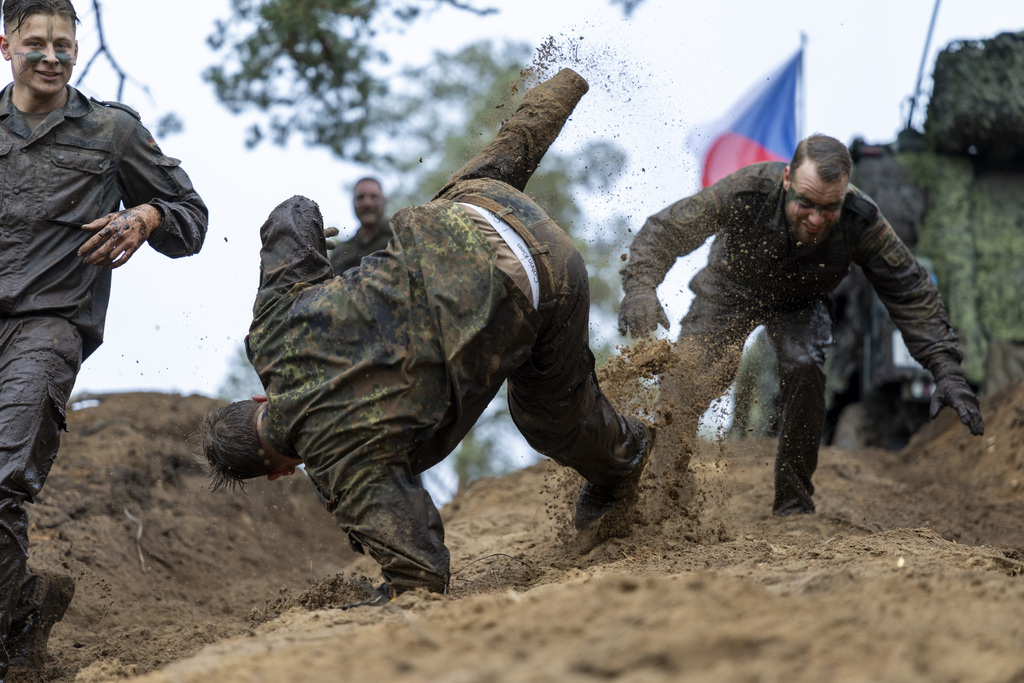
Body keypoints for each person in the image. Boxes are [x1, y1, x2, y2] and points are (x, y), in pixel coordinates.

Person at [198, 68, 651, 598]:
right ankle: (564, 85)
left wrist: (372, 559)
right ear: (256, 397)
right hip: (474, 207)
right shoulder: (272, 333)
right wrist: (317, 246)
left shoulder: (344, 466)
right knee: (485, 176)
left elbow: (421, 573)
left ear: (277, 474)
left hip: (543, 277)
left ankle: (625, 458)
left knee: (548, 419)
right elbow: (290, 214)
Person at [0, 0, 208, 676]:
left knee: (2, 479)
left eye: (64, 44)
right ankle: (24, 604)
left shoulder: (111, 132)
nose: (52, 57)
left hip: (50, 325)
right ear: (6, 46)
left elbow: (192, 218)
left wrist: (145, 215)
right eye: (37, 43)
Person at [617, 134, 983, 517]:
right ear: (788, 179)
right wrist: (641, 287)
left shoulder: (860, 219)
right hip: (729, 289)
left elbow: (910, 288)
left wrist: (947, 369)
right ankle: (662, 491)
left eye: (829, 208)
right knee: (689, 375)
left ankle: (793, 502)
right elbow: (667, 229)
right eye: (805, 204)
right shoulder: (748, 189)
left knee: (805, 366)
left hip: (801, 300)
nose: (815, 219)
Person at [329, 176, 392, 276]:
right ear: (353, 203)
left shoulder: (399, 239)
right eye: (360, 197)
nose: (367, 203)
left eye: (374, 196)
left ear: (384, 201)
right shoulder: (340, 252)